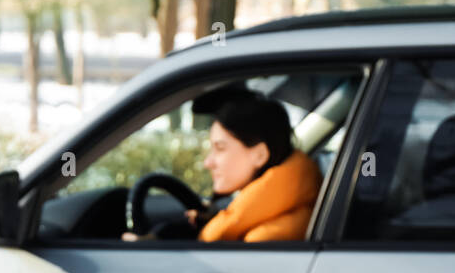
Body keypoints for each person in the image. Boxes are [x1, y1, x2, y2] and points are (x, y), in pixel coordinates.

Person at [125, 93, 323, 243]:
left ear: (260, 155)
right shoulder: (287, 208)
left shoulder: (264, 239)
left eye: (220, 148)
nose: (208, 162)